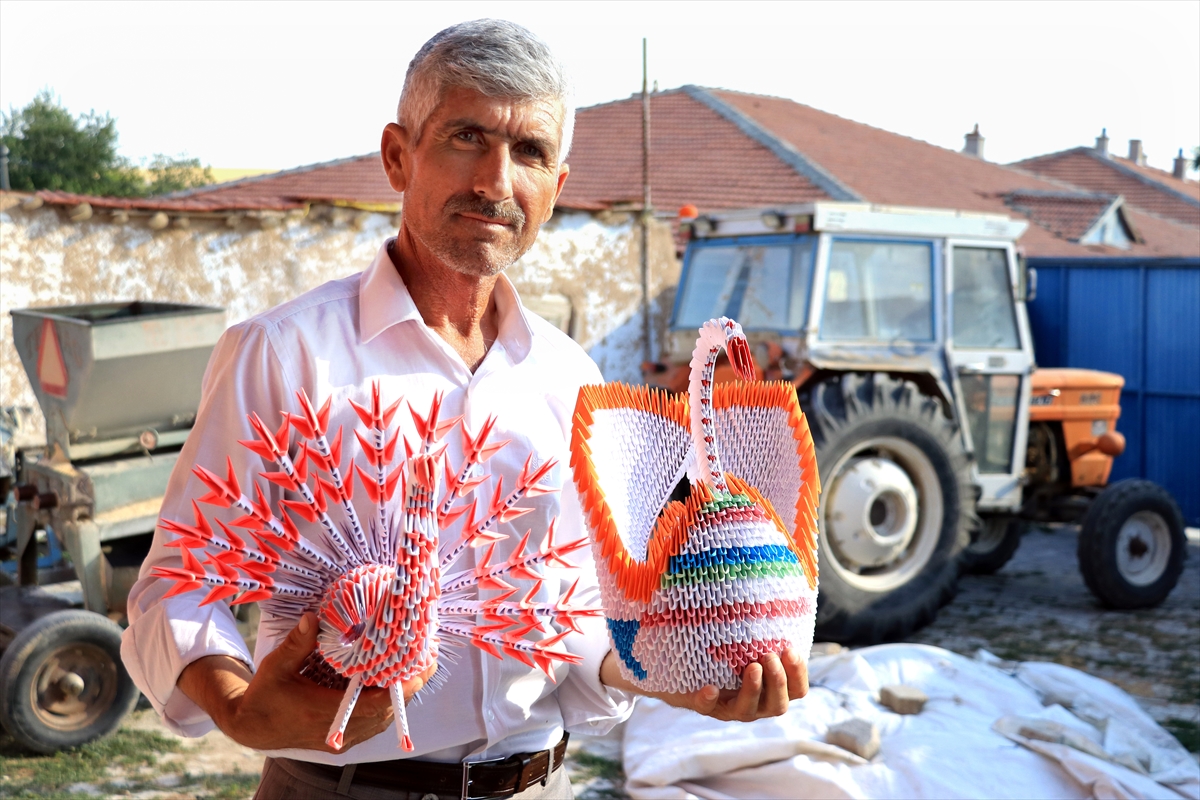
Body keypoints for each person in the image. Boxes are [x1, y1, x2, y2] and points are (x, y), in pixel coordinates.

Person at [121, 19, 808, 800]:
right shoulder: (283, 355)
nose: (495, 180)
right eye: (466, 137)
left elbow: (574, 616)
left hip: (538, 784)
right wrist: (237, 707)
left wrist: (661, 674)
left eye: (530, 153)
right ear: (397, 155)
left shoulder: (571, 378)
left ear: (556, 186)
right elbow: (175, 583)